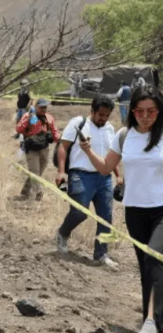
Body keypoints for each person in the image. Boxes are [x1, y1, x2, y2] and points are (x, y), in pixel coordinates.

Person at [78, 86, 163, 333]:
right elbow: (106, 168)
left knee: (154, 259)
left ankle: (152, 324)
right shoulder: (124, 136)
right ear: (132, 111)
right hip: (135, 210)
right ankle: (151, 322)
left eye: (152, 111)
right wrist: (87, 150)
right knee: (146, 267)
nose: (146, 116)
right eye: (140, 111)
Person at [55, 96, 122, 268]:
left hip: (104, 178)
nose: (103, 118)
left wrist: (118, 175)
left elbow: (111, 155)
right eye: (100, 114)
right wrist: (61, 172)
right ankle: (63, 233)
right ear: (92, 110)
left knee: (106, 217)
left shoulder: (109, 129)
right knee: (80, 212)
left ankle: (101, 254)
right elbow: (63, 147)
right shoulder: (79, 123)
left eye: (107, 115)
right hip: (80, 174)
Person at [15, 98, 60, 200]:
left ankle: (25, 191)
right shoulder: (28, 116)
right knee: (35, 171)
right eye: (41, 107)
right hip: (31, 148)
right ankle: (39, 192)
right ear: (36, 106)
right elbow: (18, 129)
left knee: (38, 172)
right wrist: (28, 119)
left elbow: (54, 131)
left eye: (45, 107)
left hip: (44, 148)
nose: (43, 109)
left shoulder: (49, 118)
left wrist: (59, 140)